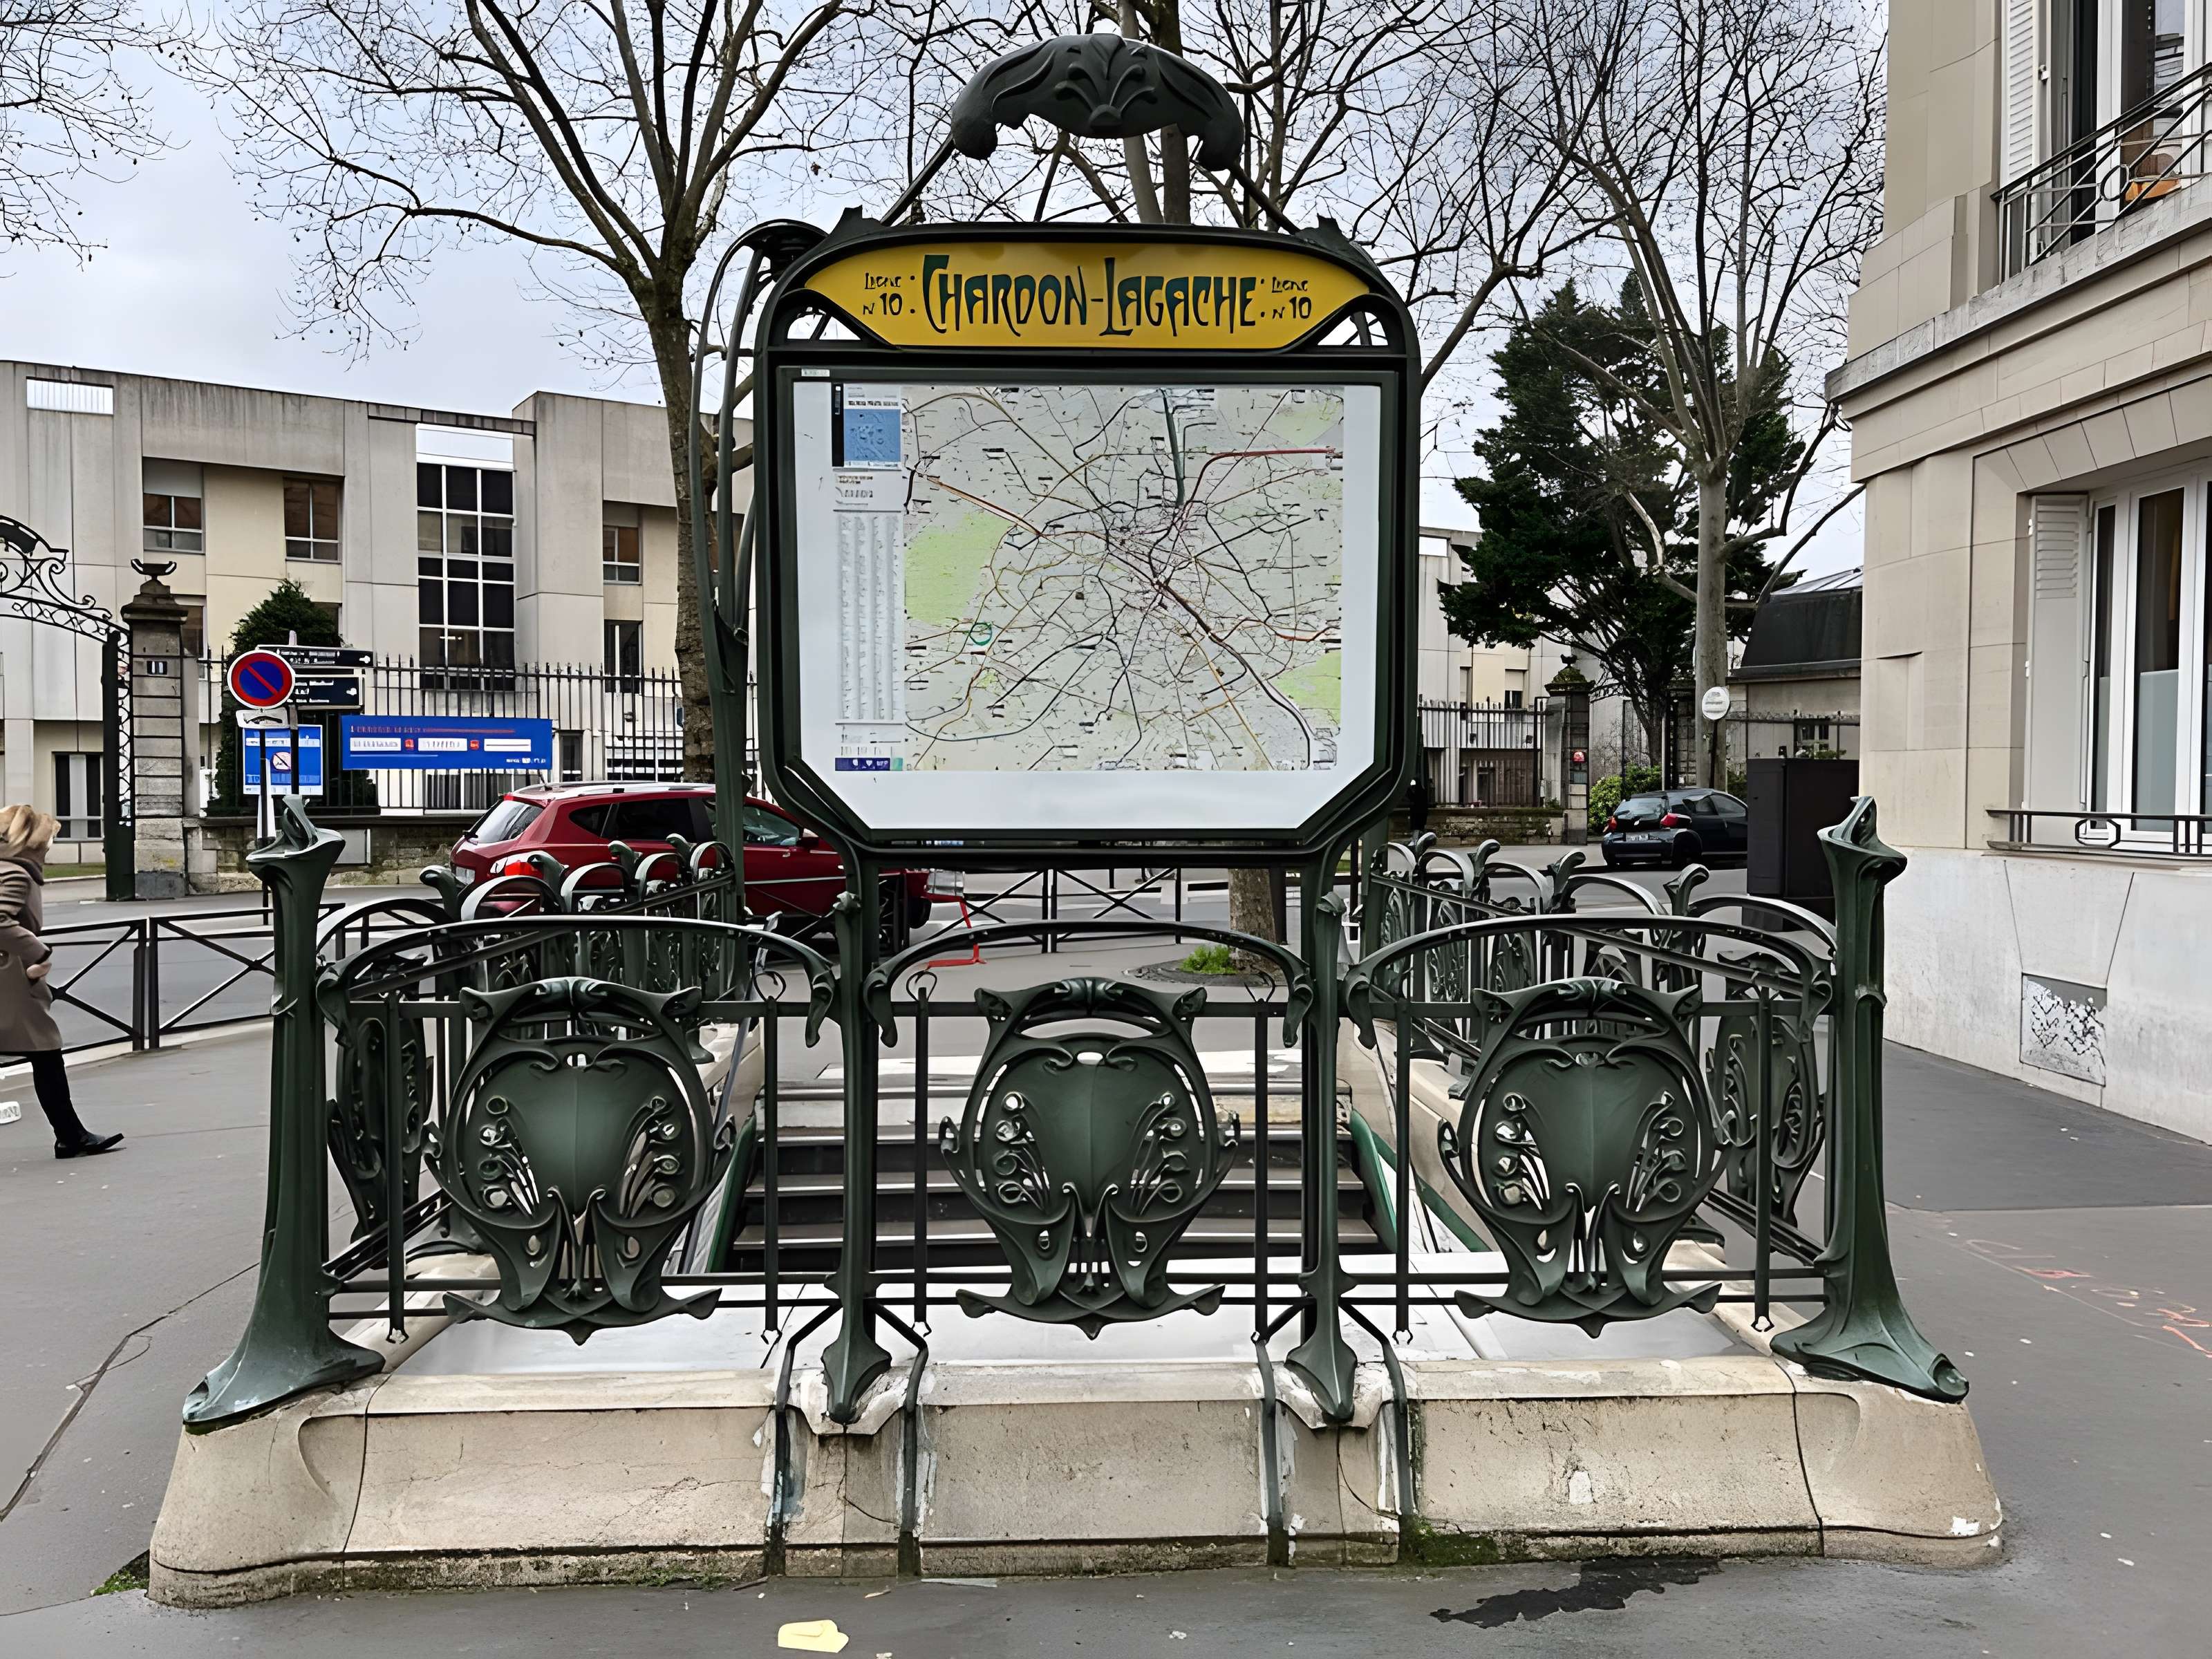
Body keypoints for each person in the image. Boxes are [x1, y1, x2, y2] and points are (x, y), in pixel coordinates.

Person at [0, 805, 120, 1158]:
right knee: (47, 1055)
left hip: (14, 978)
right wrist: (38, 952)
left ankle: (71, 1135)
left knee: (46, 1056)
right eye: (48, 840)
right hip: (11, 981)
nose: (50, 846)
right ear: (31, 841)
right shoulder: (16, 874)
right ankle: (71, 1137)